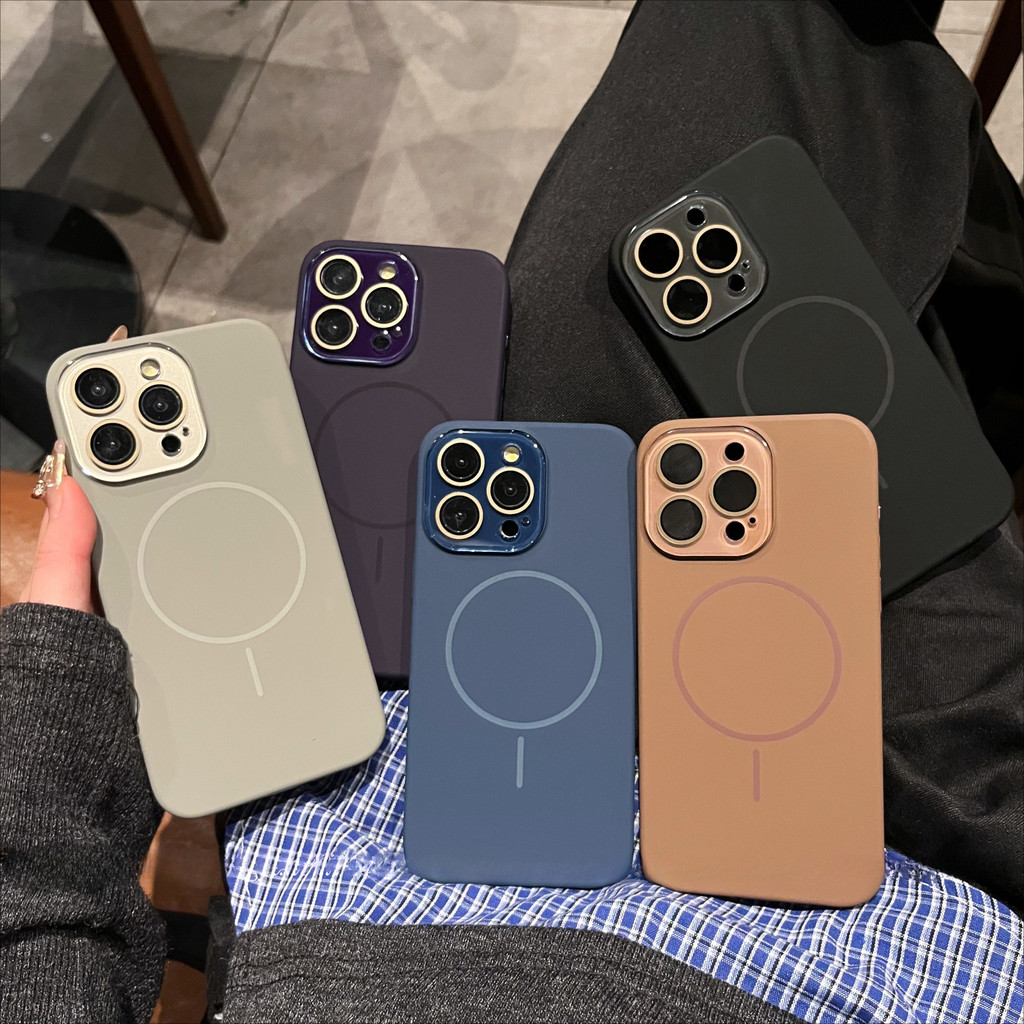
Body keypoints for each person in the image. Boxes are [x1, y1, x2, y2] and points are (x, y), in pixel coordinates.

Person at [2, 2, 1022, 1022]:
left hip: (364, 830)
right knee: (773, 46)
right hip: (953, 876)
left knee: (733, 108)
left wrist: (49, 713)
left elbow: (40, 946)